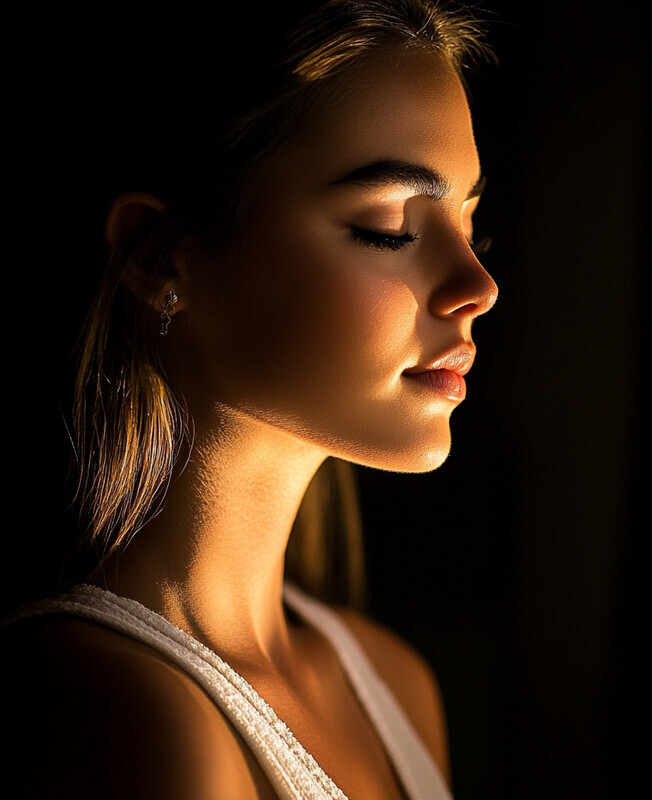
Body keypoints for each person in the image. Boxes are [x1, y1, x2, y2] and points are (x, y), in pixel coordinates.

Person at [2, 2, 498, 797]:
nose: (478, 285)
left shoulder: (397, 684)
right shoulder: (130, 717)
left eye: (470, 222)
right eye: (389, 227)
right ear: (162, 256)